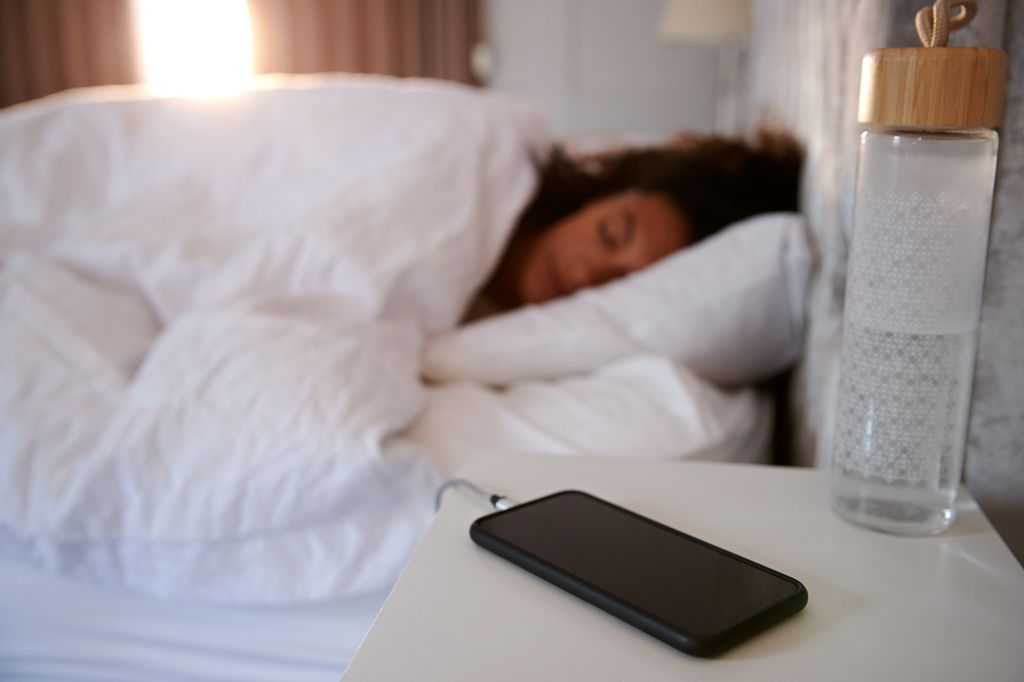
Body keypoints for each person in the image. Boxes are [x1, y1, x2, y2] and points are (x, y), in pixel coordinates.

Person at [479, 129, 802, 312]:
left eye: (622, 284)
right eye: (610, 234)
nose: (585, 275)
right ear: (598, 195)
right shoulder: (488, 172)